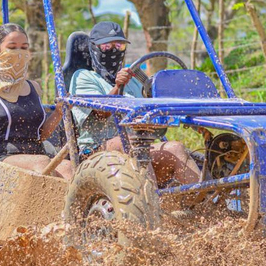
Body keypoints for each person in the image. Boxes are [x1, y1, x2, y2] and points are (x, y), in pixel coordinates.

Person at [70, 21, 200, 187]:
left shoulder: (134, 81)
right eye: (107, 46)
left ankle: (200, 204)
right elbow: (100, 114)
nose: (114, 51)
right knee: (133, 142)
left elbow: (152, 111)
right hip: (96, 152)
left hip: (138, 147)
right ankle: (149, 205)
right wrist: (117, 87)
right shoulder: (84, 77)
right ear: (94, 48)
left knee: (176, 148)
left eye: (119, 46)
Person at [0, 23, 74, 180]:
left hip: (37, 156)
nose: (19, 52)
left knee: (69, 168)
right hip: (2, 159)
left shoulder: (34, 87)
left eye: (24, 48)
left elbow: (40, 135)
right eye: (12, 47)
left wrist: (58, 112)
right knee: (43, 163)